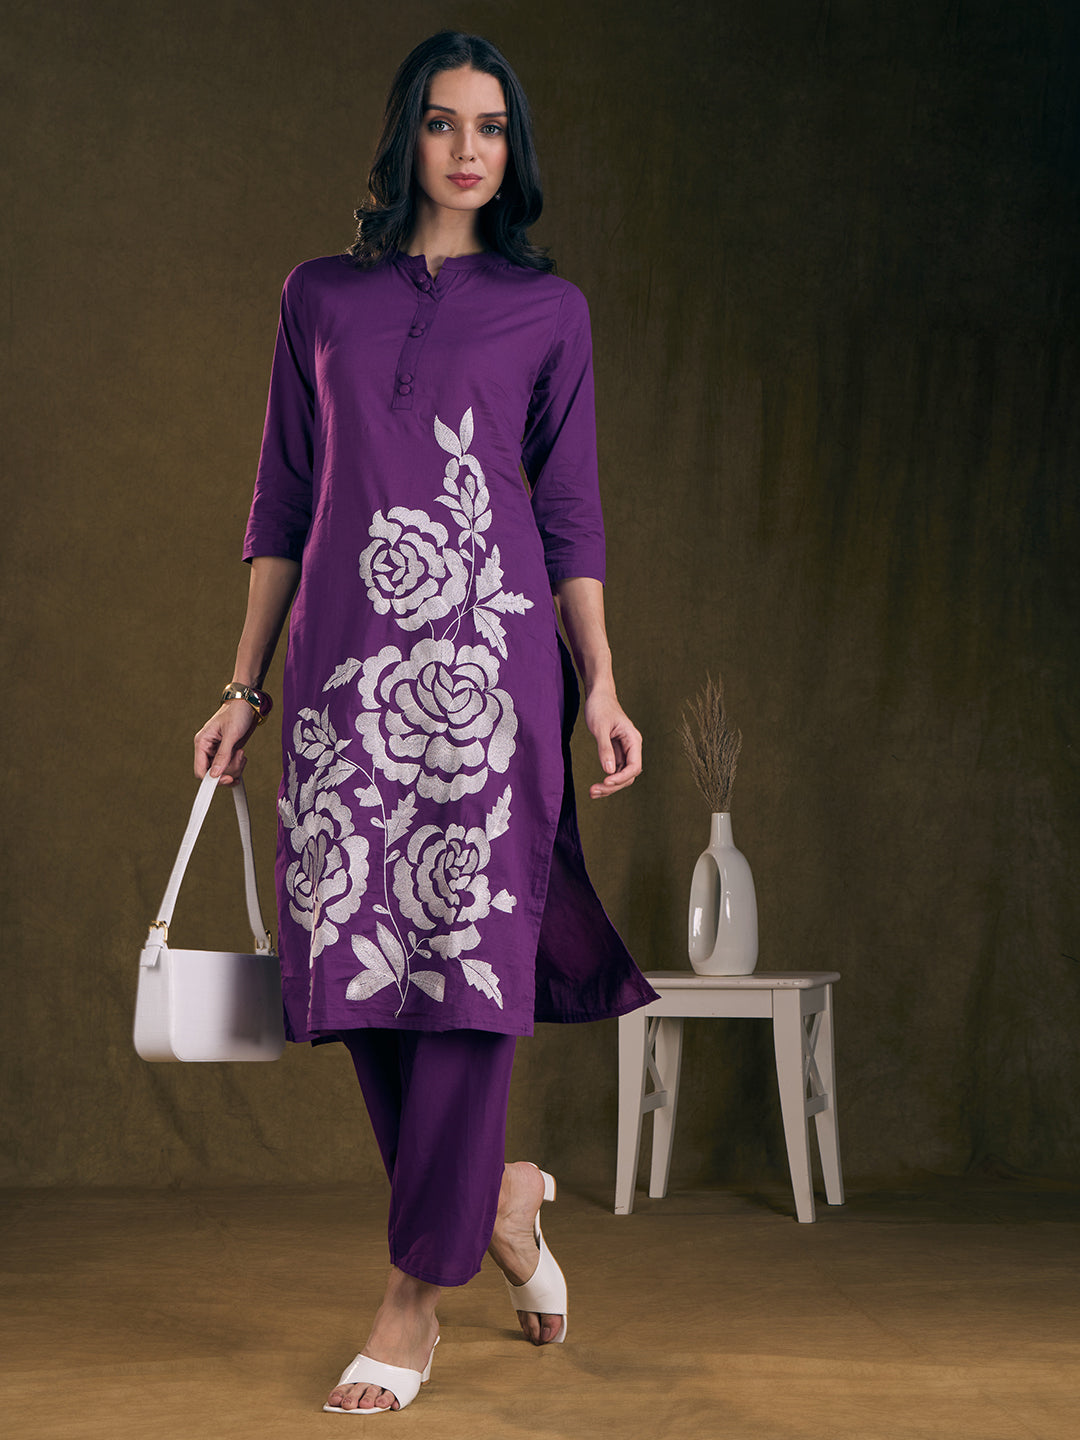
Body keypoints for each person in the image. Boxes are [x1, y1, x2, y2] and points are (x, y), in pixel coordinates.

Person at [194, 30, 658, 1415]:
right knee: (360, 967)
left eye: (492, 128)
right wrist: (242, 684)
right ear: (405, 137)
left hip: (491, 669)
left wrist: (602, 681)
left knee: (464, 960)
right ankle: (500, 1201)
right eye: (446, 123)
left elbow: (568, 513)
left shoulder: (548, 309)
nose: (468, 150)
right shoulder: (319, 295)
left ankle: (412, 1299)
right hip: (342, 675)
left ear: (514, 151)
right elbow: (283, 499)